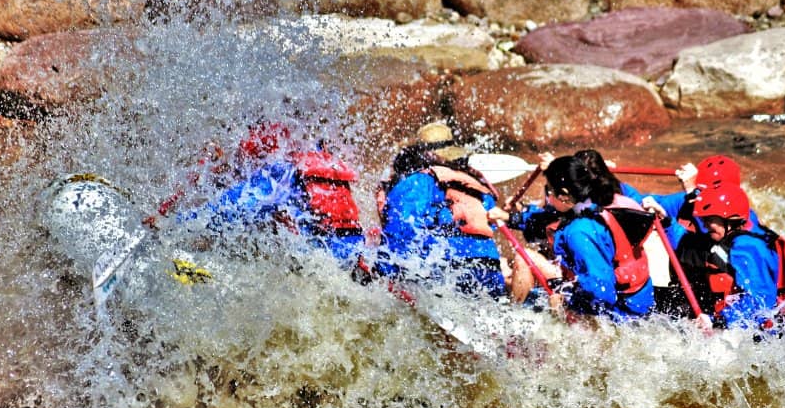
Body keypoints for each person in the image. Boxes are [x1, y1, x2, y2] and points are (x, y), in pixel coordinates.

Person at [183, 121, 366, 265]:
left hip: (317, 262)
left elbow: (222, 212)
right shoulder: (323, 163)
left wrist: (174, 225)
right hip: (352, 259)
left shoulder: (278, 173)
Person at [508, 154, 655, 320]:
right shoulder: (593, 205)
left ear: (564, 195)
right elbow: (547, 220)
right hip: (634, 300)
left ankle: (515, 325)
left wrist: (567, 301)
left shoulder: (580, 232)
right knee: (526, 257)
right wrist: (513, 218)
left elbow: (602, 293)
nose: (548, 198)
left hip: (622, 314)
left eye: (549, 190)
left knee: (529, 266)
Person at [376, 122, 506, 299]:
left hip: (449, 270)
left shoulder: (418, 182)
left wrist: (382, 272)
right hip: (490, 268)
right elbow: (490, 224)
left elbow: (401, 229)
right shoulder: (475, 184)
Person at [692, 183, 784, 330]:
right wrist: (666, 221)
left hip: (761, 334)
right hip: (739, 325)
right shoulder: (733, 241)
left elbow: (760, 302)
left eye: (709, 220)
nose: (705, 226)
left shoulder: (746, 247)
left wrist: (716, 321)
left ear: (729, 219)